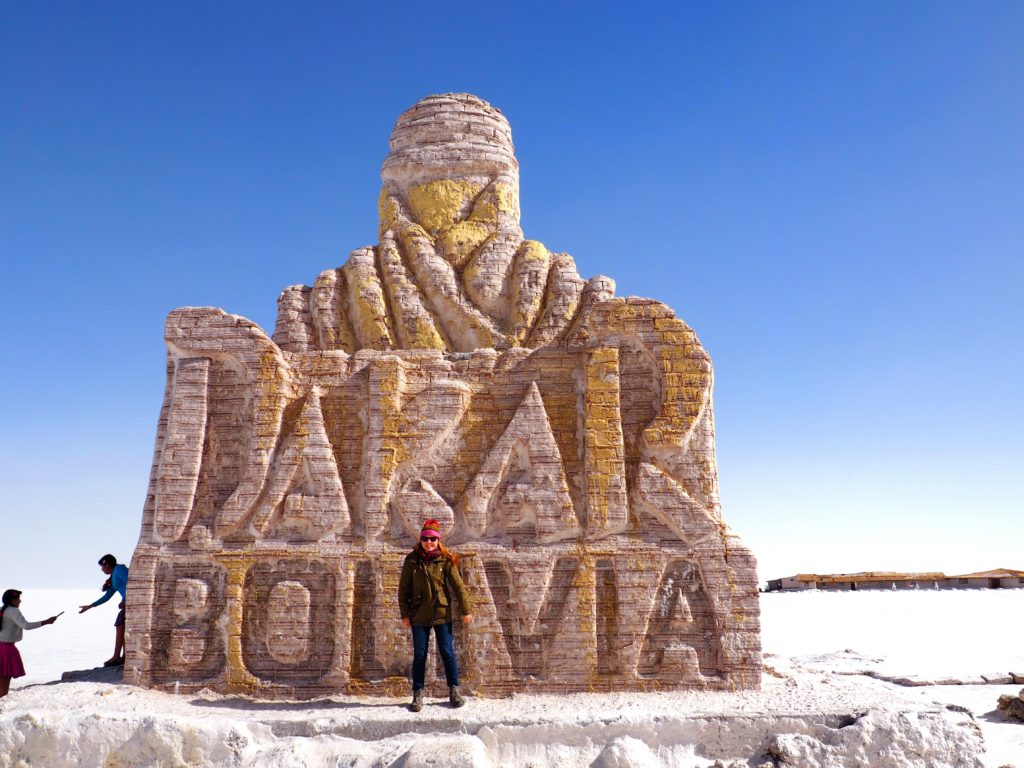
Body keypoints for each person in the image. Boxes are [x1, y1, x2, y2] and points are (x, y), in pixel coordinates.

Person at [398, 518, 474, 712]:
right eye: (425, 539)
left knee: (447, 653)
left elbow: (459, 587)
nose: (429, 543)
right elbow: (403, 590)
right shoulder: (411, 561)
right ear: (421, 540)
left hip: (441, 613)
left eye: (432, 539)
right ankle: (418, 693)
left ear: (438, 540)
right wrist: (405, 614)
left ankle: (454, 690)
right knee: (420, 655)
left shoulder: (445, 561)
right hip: (419, 615)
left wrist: (466, 610)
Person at [0, 589, 60, 698]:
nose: (20, 601)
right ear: (12, 600)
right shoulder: (13, 611)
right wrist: (45, 622)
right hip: (6, 649)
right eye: (18, 598)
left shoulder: (1, 610)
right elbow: (26, 626)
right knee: (4, 683)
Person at [78, 554, 129, 666]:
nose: (101, 569)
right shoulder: (114, 575)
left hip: (132, 603)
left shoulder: (120, 569)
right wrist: (90, 606)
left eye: (102, 566)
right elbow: (107, 596)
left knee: (120, 623)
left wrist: (125, 600)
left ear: (107, 564)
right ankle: (124, 656)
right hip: (128, 603)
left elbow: (132, 583)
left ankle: (117, 657)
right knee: (122, 624)